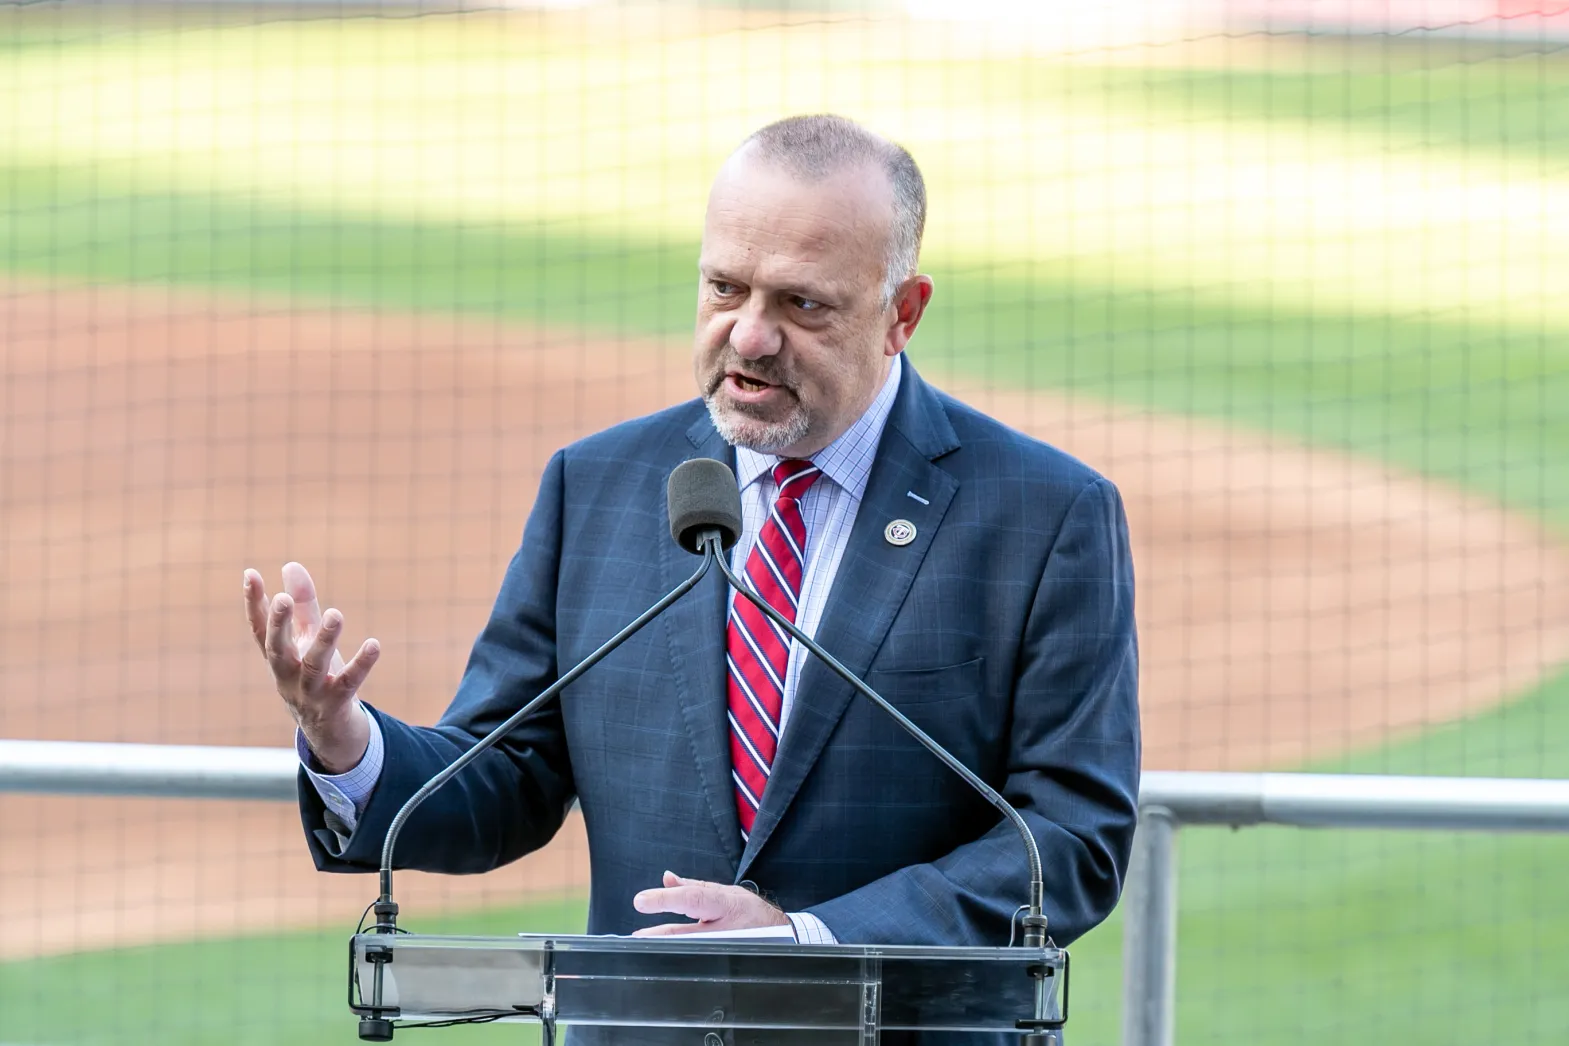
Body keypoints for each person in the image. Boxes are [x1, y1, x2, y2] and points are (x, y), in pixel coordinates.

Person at [243, 114, 1140, 1039]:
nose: (749, 337)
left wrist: (810, 942)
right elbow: (507, 774)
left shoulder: (1044, 514)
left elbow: (1069, 840)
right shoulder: (597, 486)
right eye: (724, 288)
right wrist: (345, 739)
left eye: (803, 305)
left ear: (901, 314)